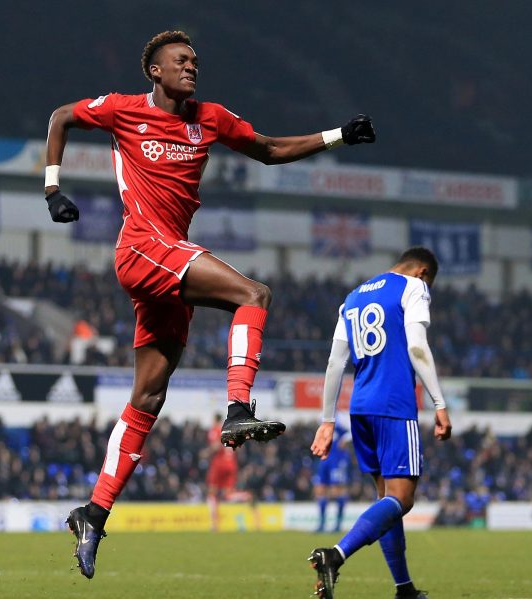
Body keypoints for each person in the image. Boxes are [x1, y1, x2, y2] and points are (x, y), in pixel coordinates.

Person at [44, 30, 376, 579]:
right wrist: (53, 188)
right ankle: (238, 410)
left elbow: (268, 150)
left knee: (147, 398)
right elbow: (60, 117)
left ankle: (93, 512)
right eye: (180, 61)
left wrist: (339, 135)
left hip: (167, 266)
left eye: (195, 60)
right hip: (143, 248)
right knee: (253, 294)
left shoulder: (212, 119)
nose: (191, 67)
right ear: (155, 71)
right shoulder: (123, 110)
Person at [308, 247, 452, 599]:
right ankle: (336, 555)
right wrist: (440, 403)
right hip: (394, 404)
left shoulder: (352, 298)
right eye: (429, 282)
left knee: (387, 501)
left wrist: (327, 420)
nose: (428, 290)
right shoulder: (413, 287)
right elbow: (417, 346)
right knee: (402, 499)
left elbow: (334, 364)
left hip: (360, 408)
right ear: (421, 272)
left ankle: (404, 589)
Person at [312, 416, 352, 533]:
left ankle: (338, 524)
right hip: (324, 457)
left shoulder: (341, 417)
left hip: (338, 458)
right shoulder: (322, 415)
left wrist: (345, 439)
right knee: (320, 489)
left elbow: (353, 430)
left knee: (337, 490)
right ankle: (322, 523)